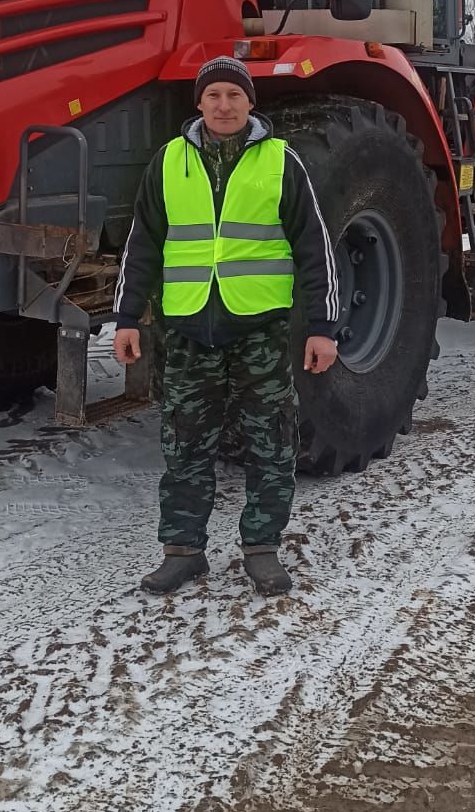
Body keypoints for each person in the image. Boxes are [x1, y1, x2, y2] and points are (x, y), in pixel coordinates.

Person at [113, 55, 339, 597]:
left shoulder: (281, 162)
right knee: (185, 447)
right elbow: (142, 243)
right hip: (189, 330)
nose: (223, 105)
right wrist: (126, 317)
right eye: (213, 95)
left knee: (271, 444)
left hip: (260, 329)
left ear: (250, 103)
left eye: (234, 96)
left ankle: (262, 550)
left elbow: (315, 246)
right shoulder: (169, 162)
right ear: (199, 103)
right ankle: (183, 552)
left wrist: (323, 326)